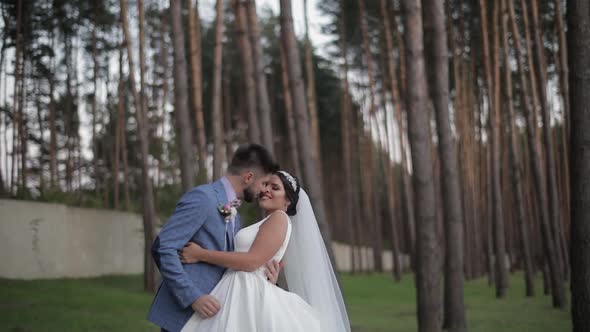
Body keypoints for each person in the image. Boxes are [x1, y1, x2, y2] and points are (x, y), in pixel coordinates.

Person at [178, 171, 351, 332]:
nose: (266, 189)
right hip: (237, 287)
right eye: (266, 185)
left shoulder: (279, 218)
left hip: (247, 291)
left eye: (274, 188)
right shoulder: (267, 221)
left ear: (287, 201)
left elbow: (251, 261)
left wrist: (200, 254)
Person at [147, 144, 281, 332]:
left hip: (216, 317)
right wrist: (192, 296)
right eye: (263, 183)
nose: (263, 190)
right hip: (186, 314)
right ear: (249, 177)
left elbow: (231, 262)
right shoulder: (203, 198)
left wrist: (263, 277)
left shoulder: (236, 214)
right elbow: (164, 247)